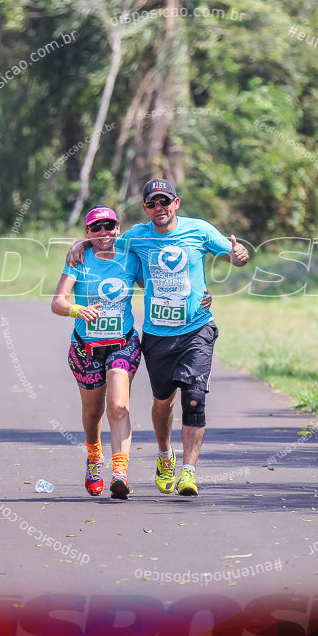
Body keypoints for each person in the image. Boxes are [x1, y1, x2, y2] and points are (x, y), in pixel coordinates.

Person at [67, 179, 250, 496]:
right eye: (152, 203)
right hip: (157, 335)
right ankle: (165, 454)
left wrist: (239, 253)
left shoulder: (200, 230)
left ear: (176, 203)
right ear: (145, 208)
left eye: (165, 202)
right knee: (163, 403)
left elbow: (234, 256)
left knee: (194, 397)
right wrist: (79, 245)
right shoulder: (137, 236)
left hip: (197, 327)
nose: (159, 208)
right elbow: (105, 241)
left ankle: (188, 472)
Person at [51, 205, 141, 499]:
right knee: (93, 413)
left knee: (117, 406)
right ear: (87, 232)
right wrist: (79, 310)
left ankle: (120, 473)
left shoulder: (131, 256)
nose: (104, 232)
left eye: (109, 226)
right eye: (96, 228)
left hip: (122, 344)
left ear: (118, 228)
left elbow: (160, 283)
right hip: (86, 348)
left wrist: (200, 295)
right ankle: (93, 458)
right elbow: (58, 302)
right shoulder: (79, 259)